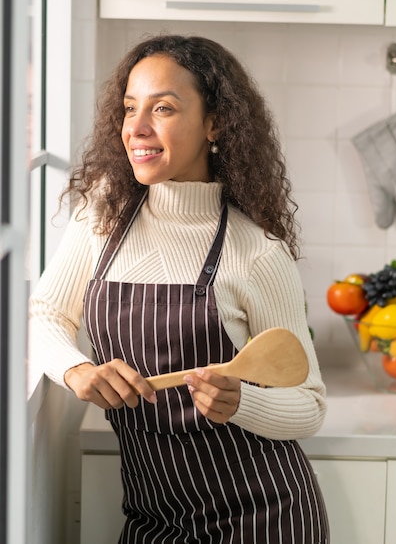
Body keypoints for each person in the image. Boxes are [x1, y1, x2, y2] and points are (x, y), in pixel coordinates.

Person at [29, 34, 329, 543]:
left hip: (263, 518)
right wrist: (75, 369)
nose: (137, 129)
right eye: (129, 108)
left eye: (162, 108)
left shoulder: (256, 251)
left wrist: (241, 403)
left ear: (215, 123)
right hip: (153, 517)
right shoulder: (102, 216)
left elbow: (310, 404)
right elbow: (46, 315)